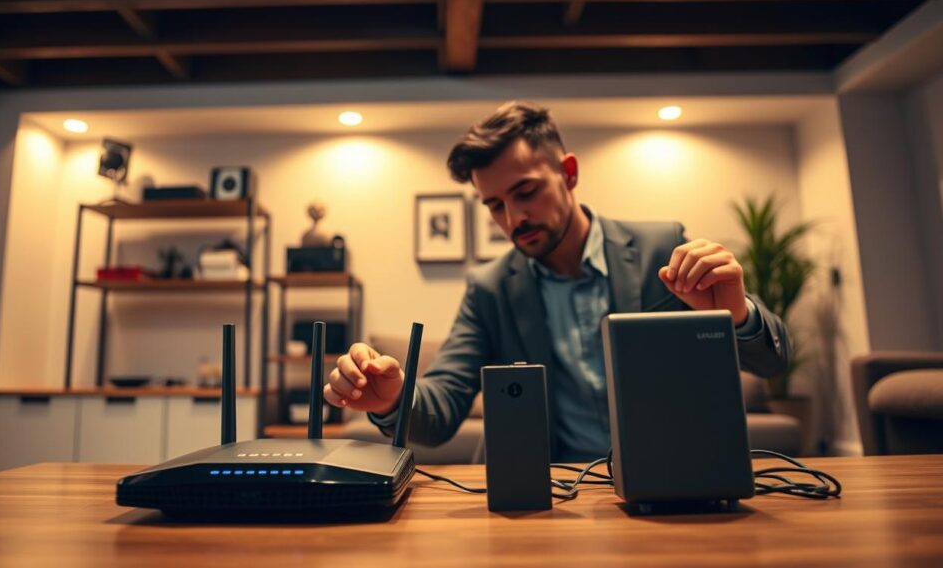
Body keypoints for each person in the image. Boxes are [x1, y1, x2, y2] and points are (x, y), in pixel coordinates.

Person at [322, 101, 791, 462]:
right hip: (549, 496)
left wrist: (737, 314)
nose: (513, 218)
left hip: (672, 480)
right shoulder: (490, 288)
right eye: (495, 205)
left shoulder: (659, 249)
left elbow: (773, 362)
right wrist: (395, 399)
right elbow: (442, 406)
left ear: (568, 173)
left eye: (526, 192)